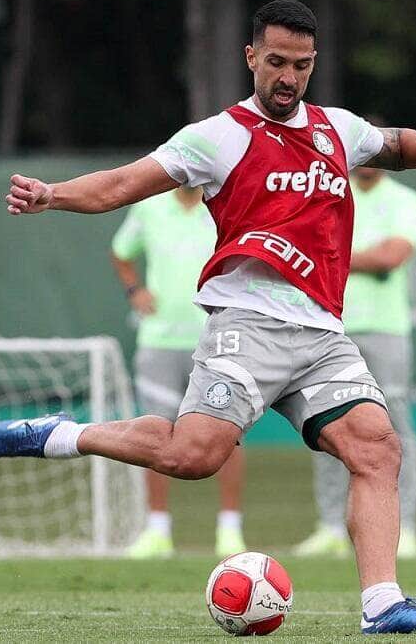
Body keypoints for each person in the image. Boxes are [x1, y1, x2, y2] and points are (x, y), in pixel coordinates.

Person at [0, 0, 416, 635]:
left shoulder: (337, 129)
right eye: (276, 62)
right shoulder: (217, 137)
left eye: (301, 65)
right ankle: (57, 435)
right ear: (250, 57)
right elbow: (119, 185)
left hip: (323, 335)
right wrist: (53, 195)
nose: (288, 77)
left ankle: (384, 602)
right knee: (191, 457)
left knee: (377, 449)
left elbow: (394, 147)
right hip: (246, 326)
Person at [293, 159, 416, 560]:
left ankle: (407, 528)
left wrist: (335, 255)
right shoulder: (329, 191)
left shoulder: (405, 199)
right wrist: (357, 255)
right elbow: (306, 247)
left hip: (386, 329)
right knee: (328, 425)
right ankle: (331, 525)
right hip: (332, 324)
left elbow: (392, 256)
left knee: (396, 424)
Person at [110, 184, 248, 559]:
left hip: (218, 338)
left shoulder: (227, 202)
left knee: (228, 432)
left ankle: (230, 529)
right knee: (152, 430)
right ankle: (157, 529)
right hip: (159, 340)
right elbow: (121, 252)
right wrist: (135, 291)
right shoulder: (149, 208)